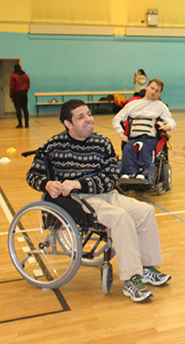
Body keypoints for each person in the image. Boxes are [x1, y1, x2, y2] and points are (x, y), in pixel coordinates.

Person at [26, 100, 170, 302]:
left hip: (106, 193)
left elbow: (111, 177)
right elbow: (33, 174)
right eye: (81, 117)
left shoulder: (101, 143)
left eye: (89, 114)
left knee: (145, 211)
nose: (89, 119)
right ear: (68, 124)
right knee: (120, 218)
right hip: (79, 201)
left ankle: (147, 267)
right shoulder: (53, 146)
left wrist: (79, 183)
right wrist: (47, 184)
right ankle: (131, 279)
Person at [113, 79, 176, 179]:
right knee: (128, 148)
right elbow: (116, 119)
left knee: (146, 148)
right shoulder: (133, 104)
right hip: (133, 137)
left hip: (150, 138)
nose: (153, 92)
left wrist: (166, 126)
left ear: (159, 93)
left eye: (156, 91)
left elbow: (172, 122)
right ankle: (130, 173)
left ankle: (145, 172)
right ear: (146, 87)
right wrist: (121, 134)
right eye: (152, 88)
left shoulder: (161, 107)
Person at [10, 64, 30, 128]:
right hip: (24, 93)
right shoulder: (26, 76)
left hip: (17, 94)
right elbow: (28, 84)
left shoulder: (13, 76)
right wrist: (25, 90)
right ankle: (27, 123)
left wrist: (11, 96)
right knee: (25, 109)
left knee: (18, 109)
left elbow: (12, 87)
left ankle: (20, 124)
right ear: (20, 68)